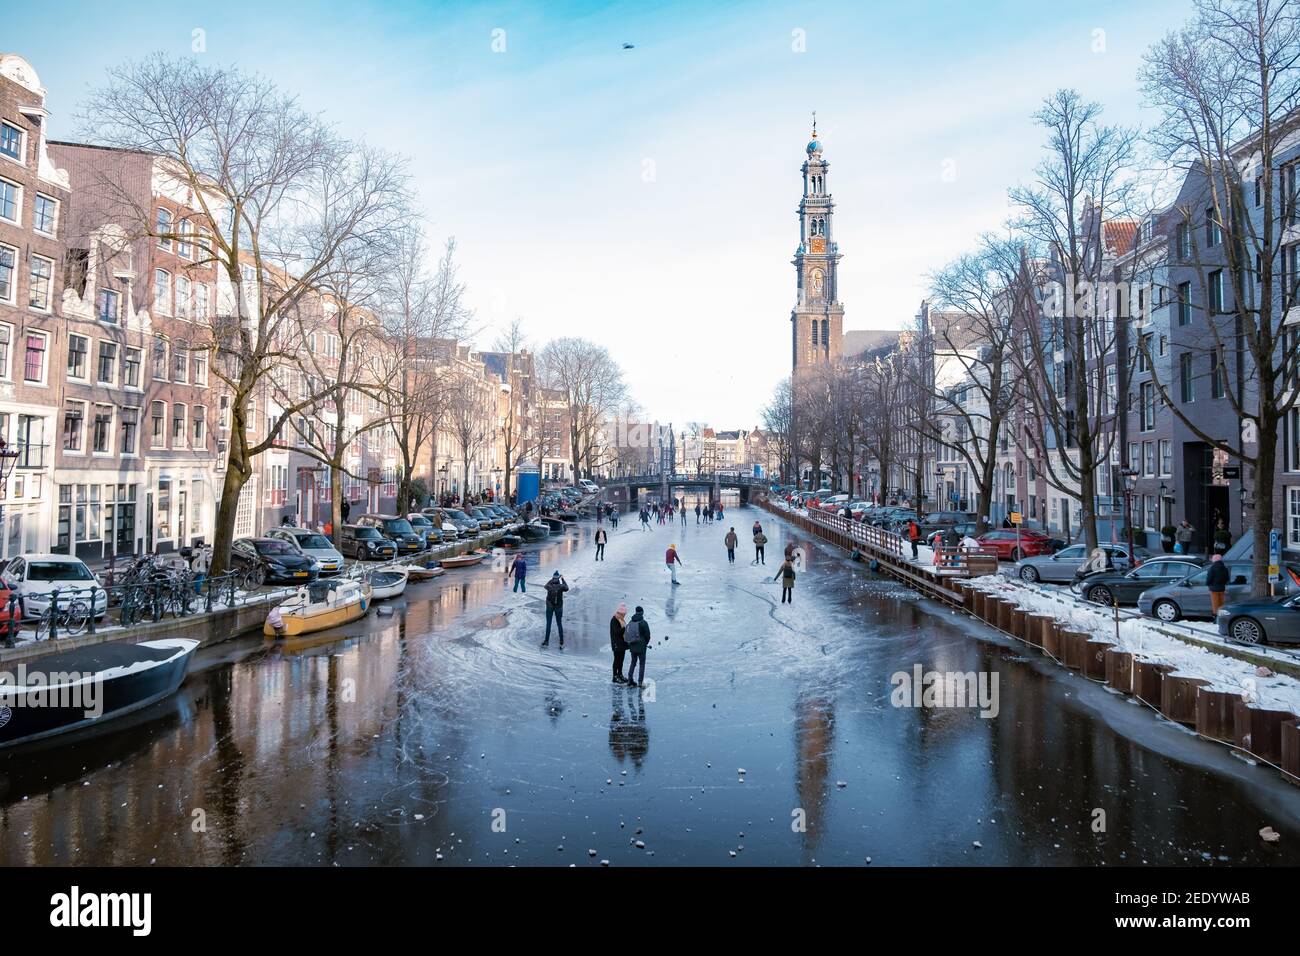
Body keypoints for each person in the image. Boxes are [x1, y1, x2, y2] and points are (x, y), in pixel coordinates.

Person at [624, 605, 651, 687]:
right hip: (641, 647)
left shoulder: (630, 622)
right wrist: (645, 643)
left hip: (632, 646)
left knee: (633, 663)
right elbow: (648, 635)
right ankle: (640, 682)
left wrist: (630, 644)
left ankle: (630, 679)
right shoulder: (643, 623)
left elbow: (627, 634)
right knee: (642, 664)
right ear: (642, 612)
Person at [542, 571, 568, 648]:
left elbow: (545, 585)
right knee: (559, 624)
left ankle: (546, 641)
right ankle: (561, 641)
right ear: (558, 579)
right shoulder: (561, 586)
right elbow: (567, 588)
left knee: (548, 624)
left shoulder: (549, 586)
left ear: (553, 578)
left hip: (549, 606)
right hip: (558, 607)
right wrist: (563, 579)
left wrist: (552, 579)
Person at [610, 603, 629, 683]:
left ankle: (620, 674)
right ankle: (615, 676)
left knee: (621, 660)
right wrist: (624, 629)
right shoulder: (614, 620)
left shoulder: (621, 620)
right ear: (620, 613)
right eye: (623, 614)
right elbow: (616, 632)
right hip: (616, 644)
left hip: (622, 644)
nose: (624, 615)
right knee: (617, 660)